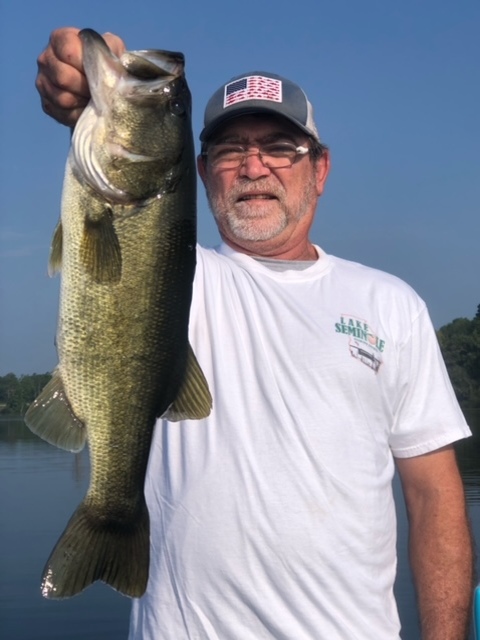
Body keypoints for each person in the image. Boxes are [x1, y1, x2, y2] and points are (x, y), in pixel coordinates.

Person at [36, 28, 474, 640]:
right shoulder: (180, 276)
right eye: (229, 149)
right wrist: (78, 91)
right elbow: (119, 197)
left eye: (280, 147)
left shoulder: (392, 305)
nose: (253, 166)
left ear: (319, 168)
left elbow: (433, 497)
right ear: (201, 171)